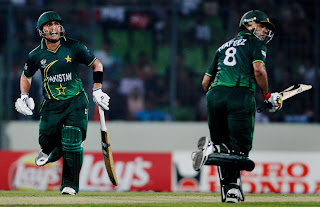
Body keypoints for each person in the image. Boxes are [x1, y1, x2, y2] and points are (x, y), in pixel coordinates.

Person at [14, 11, 110, 195]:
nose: (53, 28)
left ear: (61, 27)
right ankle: (52, 150)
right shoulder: (36, 55)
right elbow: (26, 75)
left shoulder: (74, 47)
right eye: (48, 25)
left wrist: (97, 89)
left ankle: (70, 185)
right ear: (41, 30)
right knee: (46, 142)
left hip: (76, 101)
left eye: (56, 24)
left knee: (73, 139)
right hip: (51, 105)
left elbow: (97, 64)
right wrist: (23, 96)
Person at [191, 10, 282, 203]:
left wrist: (220, 90)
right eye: (262, 25)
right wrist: (267, 96)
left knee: (225, 148)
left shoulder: (222, 47)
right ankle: (211, 151)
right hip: (239, 95)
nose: (265, 30)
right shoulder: (255, 44)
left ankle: (231, 190)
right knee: (240, 151)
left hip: (214, 96)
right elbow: (259, 70)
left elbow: (205, 83)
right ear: (249, 25)